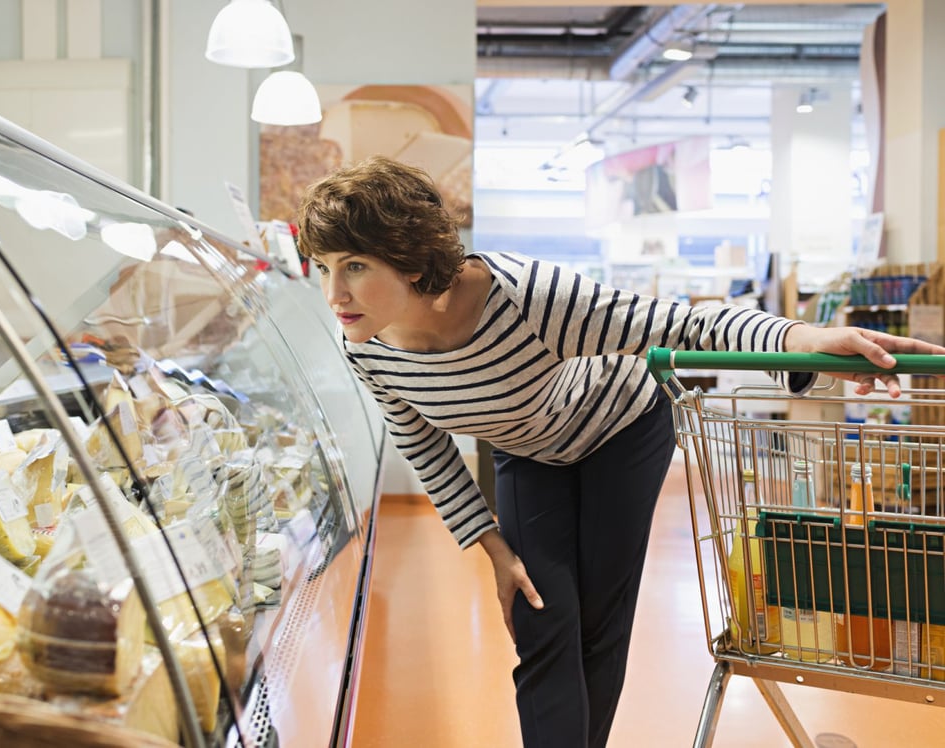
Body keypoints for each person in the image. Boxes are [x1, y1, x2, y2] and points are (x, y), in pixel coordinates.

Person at [294, 155, 945, 748]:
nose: (334, 294)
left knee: (599, 624)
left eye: (354, 266)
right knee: (541, 618)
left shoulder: (525, 298)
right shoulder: (366, 346)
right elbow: (423, 446)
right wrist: (491, 549)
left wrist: (807, 338)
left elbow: (689, 324)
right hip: (529, 452)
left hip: (621, 432)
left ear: (409, 259)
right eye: (322, 267)